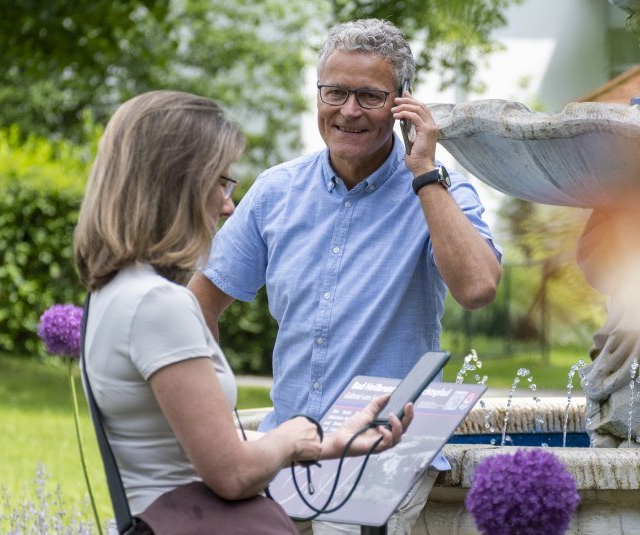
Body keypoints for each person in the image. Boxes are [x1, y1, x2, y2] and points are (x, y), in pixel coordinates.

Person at [189, 18, 502, 534]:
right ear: (318, 94)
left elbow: (477, 289)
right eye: (335, 92)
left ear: (402, 103)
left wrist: (424, 170)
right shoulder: (275, 192)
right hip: (286, 448)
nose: (348, 111)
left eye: (370, 97)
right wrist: (212, 408)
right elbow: (200, 304)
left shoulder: (438, 191)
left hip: (388, 453)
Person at [72, 90, 413, 532]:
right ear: (178, 184)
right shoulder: (159, 305)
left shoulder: (115, 290)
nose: (228, 205)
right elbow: (231, 474)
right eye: (221, 182)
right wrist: (291, 436)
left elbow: (189, 444)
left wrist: (328, 441)